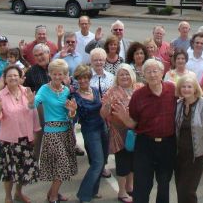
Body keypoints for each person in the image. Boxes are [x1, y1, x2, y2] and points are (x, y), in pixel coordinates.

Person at [112, 59, 177, 203]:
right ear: (143, 75)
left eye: (155, 71)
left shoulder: (172, 90)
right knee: (142, 184)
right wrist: (124, 119)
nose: (152, 75)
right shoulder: (138, 95)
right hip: (144, 145)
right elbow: (133, 123)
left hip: (168, 144)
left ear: (162, 73)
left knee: (164, 182)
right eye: (148, 71)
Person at [0, 65, 39, 203]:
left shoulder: (27, 92)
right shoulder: (0, 96)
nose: (13, 78)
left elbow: (33, 113)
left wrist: (35, 133)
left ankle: (18, 193)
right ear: (5, 79)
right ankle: (8, 196)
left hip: (26, 138)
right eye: (10, 76)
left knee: (25, 169)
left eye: (15, 75)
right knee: (9, 172)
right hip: (9, 140)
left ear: (20, 78)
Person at [33, 59, 78, 203]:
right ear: (49, 74)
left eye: (61, 74)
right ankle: (53, 196)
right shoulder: (44, 89)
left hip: (66, 131)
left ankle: (52, 192)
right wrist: (30, 101)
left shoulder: (66, 90)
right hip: (52, 133)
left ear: (65, 75)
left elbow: (70, 114)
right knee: (62, 164)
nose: (57, 77)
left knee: (62, 165)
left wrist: (72, 111)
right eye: (54, 74)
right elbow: (34, 103)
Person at [100, 64, 144, 203]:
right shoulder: (111, 92)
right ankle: (122, 192)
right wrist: (108, 104)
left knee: (134, 161)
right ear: (117, 77)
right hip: (119, 132)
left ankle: (130, 186)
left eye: (127, 74)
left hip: (138, 130)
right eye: (121, 74)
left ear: (132, 75)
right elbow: (103, 114)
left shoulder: (140, 88)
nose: (124, 77)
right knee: (123, 161)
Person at [174, 75, 203, 203]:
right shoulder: (178, 104)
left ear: (195, 89)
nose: (186, 89)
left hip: (196, 155)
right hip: (179, 154)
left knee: (187, 190)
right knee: (180, 188)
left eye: (189, 86)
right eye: (183, 86)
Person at [71, 65, 108, 203]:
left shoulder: (95, 90)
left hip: (102, 127)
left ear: (89, 78)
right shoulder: (74, 96)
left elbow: (103, 107)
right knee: (97, 162)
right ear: (77, 79)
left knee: (102, 160)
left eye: (86, 77)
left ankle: (93, 190)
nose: (83, 80)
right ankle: (83, 195)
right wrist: (72, 111)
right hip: (90, 131)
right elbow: (73, 117)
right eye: (80, 78)